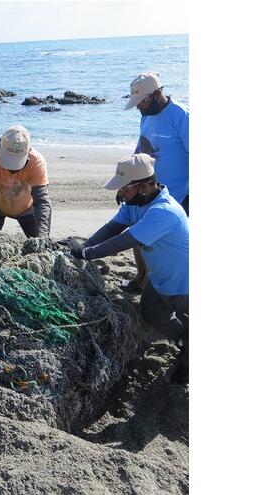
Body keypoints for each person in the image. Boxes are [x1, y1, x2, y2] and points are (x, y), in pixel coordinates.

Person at [72, 153, 188, 384]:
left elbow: (126, 240)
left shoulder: (164, 211)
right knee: (151, 312)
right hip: (161, 279)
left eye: (125, 188)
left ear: (144, 186)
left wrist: (87, 254)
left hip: (186, 283)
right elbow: (112, 228)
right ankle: (184, 340)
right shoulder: (135, 204)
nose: (121, 193)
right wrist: (84, 246)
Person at [122, 72, 190, 291]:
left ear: (158, 93)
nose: (138, 107)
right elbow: (141, 148)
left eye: (141, 101)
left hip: (179, 195)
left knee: (171, 245)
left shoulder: (181, 115)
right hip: (148, 190)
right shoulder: (146, 114)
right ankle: (141, 278)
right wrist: (127, 181)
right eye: (136, 103)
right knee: (138, 233)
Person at [0, 125, 52, 237]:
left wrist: (42, 237)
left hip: (28, 209)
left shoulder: (36, 162)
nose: (12, 168)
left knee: (41, 242)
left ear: (28, 152)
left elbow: (42, 202)